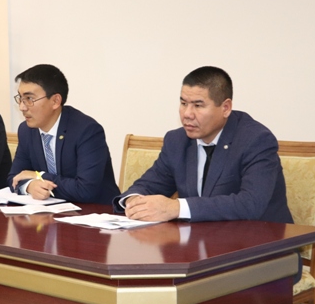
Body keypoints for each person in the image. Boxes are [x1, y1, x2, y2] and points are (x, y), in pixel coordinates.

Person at [114, 66, 293, 223]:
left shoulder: (255, 140)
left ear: (225, 108)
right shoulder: (177, 141)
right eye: (183, 103)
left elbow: (249, 204)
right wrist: (134, 201)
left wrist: (177, 208)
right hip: (202, 242)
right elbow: (148, 185)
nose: (187, 114)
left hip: (262, 243)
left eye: (198, 105)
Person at [8, 64, 120, 204]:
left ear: (55, 101)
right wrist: (29, 186)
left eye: (29, 99)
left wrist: (40, 176)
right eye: (20, 98)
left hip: (96, 210)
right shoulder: (26, 130)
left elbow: (85, 190)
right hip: (52, 211)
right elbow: (14, 177)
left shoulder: (87, 131)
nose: (22, 107)